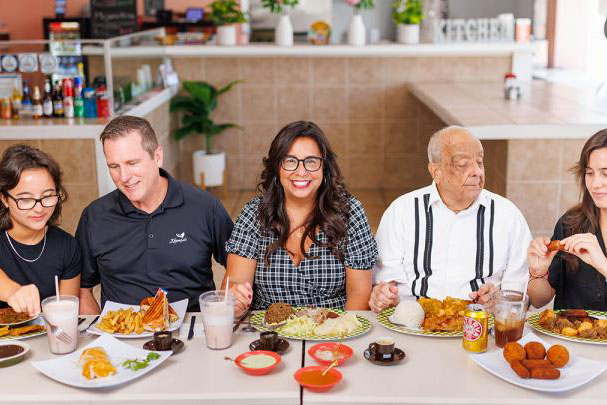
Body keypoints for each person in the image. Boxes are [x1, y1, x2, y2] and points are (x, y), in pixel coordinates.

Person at [77, 116, 233, 314]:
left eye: (132, 163)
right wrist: (101, 338)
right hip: (122, 335)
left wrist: (222, 311)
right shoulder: (94, 217)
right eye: (114, 166)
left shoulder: (204, 206)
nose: (124, 177)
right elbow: (82, 290)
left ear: (157, 156)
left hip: (192, 330)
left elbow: (239, 265)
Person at [223, 121, 377, 316]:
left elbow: (359, 294)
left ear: (325, 168)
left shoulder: (350, 213)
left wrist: (337, 336)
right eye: (290, 161)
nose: (301, 171)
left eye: (311, 161)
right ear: (277, 168)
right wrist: (235, 297)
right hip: (270, 333)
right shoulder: (254, 214)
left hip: (332, 332)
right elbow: (232, 285)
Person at [370, 126, 531, 313]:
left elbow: (518, 294)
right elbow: (385, 282)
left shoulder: (508, 215)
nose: (477, 172)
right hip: (412, 327)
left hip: (481, 330)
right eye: (463, 164)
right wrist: (383, 295)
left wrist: (498, 301)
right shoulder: (402, 211)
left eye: (480, 162)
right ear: (436, 172)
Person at [527, 130, 607, 310]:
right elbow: (538, 300)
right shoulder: (570, 224)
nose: (595, 184)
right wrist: (538, 272)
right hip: (566, 338)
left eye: (605, 173)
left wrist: (602, 264)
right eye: (589, 173)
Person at [0, 144, 81, 316]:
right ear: (5, 199)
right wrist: (13, 291)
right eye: (26, 199)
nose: (39, 208)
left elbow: (66, 316)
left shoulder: (67, 246)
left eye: (47, 196)